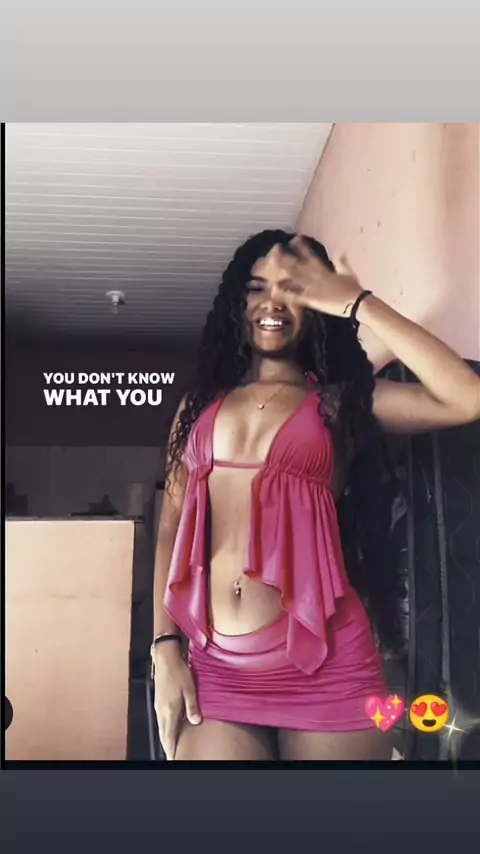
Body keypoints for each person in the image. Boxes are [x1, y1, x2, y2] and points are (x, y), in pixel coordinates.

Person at [152, 230, 480, 761]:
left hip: (328, 665)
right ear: (237, 302)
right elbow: (170, 524)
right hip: (218, 670)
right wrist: (164, 648)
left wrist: (358, 302)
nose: (273, 303)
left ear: (316, 306)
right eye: (257, 288)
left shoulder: (337, 404)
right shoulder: (197, 407)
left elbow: (466, 398)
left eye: (292, 289)